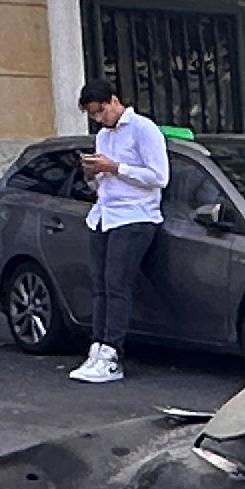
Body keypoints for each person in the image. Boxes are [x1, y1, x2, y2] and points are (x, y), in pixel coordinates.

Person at [68, 81, 169, 384]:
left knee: (117, 284)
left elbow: (159, 177)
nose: (99, 119)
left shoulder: (143, 129)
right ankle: (97, 347)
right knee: (100, 285)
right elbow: (103, 184)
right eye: (93, 115)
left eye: (100, 112)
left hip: (136, 216)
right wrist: (92, 174)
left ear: (113, 101)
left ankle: (113, 352)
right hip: (104, 215)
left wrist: (116, 167)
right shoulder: (102, 136)